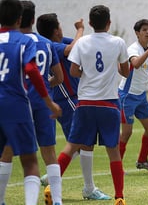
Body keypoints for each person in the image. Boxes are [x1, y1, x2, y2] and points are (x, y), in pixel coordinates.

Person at [58, 5, 129, 205]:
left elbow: (73, 71)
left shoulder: (82, 43)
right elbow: (126, 72)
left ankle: (52, 189)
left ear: (89, 23)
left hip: (85, 102)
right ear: (109, 23)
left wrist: (88, 74)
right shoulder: (118, 42)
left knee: (72, 146)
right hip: (109, 102)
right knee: (113, 150)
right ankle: (119, 196)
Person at [36, 13, 111, 200]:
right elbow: (72, 49)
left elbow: (82, 44)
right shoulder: (52, 45)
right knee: (80, 142)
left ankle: (83, 186)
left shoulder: (61, 41)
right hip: (67, 100)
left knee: (84, 142)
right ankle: (64, 179)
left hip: (75, 98)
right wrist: (80, 28)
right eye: (60, 26)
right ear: (55, 30)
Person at [0, 0, 61, 205]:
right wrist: (48, 99)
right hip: (22, 103)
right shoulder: (31, 42)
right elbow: (34, 70)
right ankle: (52, 201)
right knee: (36, 158)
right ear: (25, 19)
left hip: (8, 103)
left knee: (5, 153)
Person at [118, 19, 148, 172]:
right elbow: (135, 64)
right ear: (137, 33)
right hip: (127, 96)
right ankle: (117, 165)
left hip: (141, 96)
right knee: (126, 133)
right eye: (144, 30)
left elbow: (143, 73)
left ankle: (142, 161)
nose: (147, 32)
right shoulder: (133, 49)